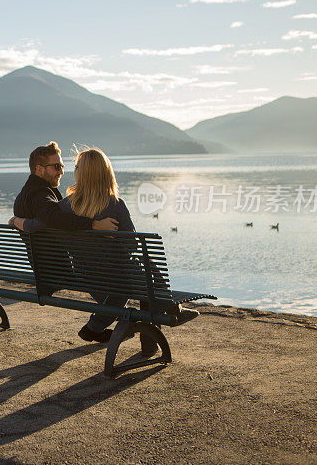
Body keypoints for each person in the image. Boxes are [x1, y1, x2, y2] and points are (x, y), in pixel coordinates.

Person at [13, 146, 198, 343]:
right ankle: (164, 315)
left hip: (87, 276)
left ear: (80, 174)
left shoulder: (65, 205)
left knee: (142, 272)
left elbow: (36, 224)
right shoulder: (115, 204)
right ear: (106, 173)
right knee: (145, 268)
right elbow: (132, 245)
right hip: (117, 278)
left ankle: (103, 326)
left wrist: (16, 221)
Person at [11, 141, 117, 232]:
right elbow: (53, 218)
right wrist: (95, 224)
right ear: (39, 169)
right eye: (56, 167)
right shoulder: (39, 195)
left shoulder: (23, 196)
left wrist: (15, 221)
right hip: (54, 256)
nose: (61, 172)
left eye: (62, 166)